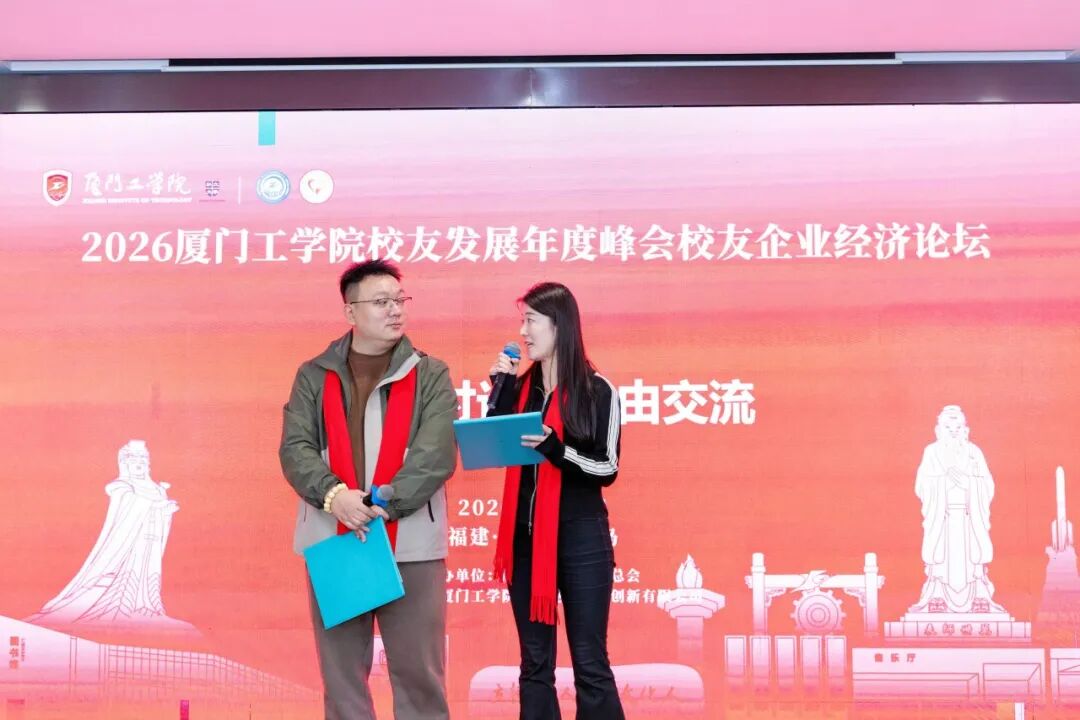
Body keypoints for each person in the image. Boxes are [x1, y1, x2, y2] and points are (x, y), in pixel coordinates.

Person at [279, 259, 457, 720]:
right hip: (335, 540)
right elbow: (296, 448)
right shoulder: (314, 375)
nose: (395, 310)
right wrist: (336, 497)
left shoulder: (431, 374)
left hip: (410, 543)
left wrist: (382, 505)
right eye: (381, 302)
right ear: (350, 312)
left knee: (420, 677)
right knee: (342, 681)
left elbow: (435, 455)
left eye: (400, 300)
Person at [488, 281, 625, 720]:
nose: (522, 331)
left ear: (559, 326)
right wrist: (500, 390)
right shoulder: (521, 388)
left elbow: (607, 467)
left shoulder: (596, 389)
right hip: (525, 542)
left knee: (590, 662)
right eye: (522, 320)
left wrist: (557, 450)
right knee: (534, 665)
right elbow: (496, 446)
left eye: (531, 320)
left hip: (581, 540)